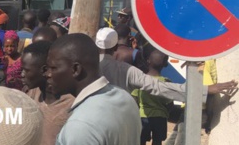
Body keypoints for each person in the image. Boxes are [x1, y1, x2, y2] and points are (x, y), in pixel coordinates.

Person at [96, 27, 237, 102]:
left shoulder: (81, 66)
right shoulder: (126, 70)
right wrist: (203, 90)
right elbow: (159, 87)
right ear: (115, 47)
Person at [22, 41, 73, 145]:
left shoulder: (70, 106)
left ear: (44, 71)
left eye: (26, 70)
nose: (22, 74)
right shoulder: (32, 95)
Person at [132, 46, 171, 145]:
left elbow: (134, 98)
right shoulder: (166, 81)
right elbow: (169, 102)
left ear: (147, 61)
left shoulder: (140, 80)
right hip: (160, 118)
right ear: (164, 64)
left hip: (143, 118)